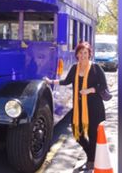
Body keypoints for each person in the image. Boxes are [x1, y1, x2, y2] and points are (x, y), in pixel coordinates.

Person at [44, 41, 107, 171]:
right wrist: (51, 81)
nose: (83, 55)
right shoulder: (74, 68)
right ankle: (91, 155)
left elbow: (103, 86)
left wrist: (89, 90)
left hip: (94, 107)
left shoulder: (96, 68)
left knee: (92, 135)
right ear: (77, 54)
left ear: (89, 54)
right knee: (77, 133)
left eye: (85, 53)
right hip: (79, 107)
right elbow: (66, 81)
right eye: (80, 53)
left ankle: (91, 160)